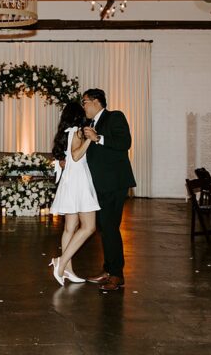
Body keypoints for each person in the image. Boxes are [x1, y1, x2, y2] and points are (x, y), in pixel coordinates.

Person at [81, 88, 135, 293]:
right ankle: (108, 269)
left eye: (85, 101)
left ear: (96, 101)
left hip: (114, 183)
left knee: (110, 227)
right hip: (100, 185)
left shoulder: (115, 117)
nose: (83, 105)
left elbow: (125, 143)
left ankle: (117, 275)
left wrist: (98, 138)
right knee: (105, 228)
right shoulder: (90, 124)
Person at [48, 100, 100, 286]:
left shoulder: (68, 132)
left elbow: (68, 157)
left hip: (70, 181)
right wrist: (89, 140)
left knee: (70, 227)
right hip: (79, 182)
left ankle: (68, 269)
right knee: (89, 227)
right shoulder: (79, 131)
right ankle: (61, 263)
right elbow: (77, 157)